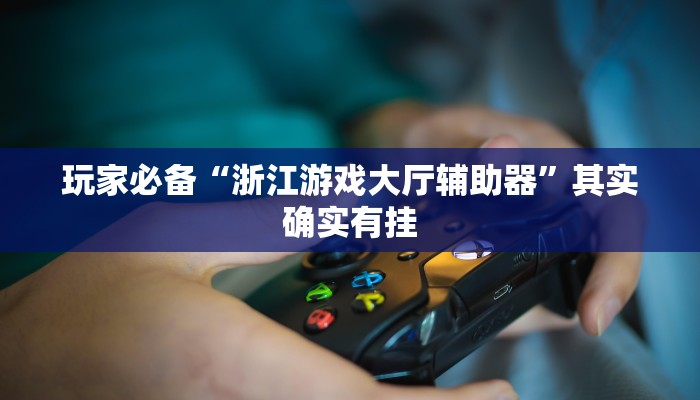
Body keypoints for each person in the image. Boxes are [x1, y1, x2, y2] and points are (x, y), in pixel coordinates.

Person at [0, 0, 647, 398]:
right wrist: (20, 344)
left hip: (360, 240)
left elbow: (346, 83)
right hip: (85, 320)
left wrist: (403, 126)